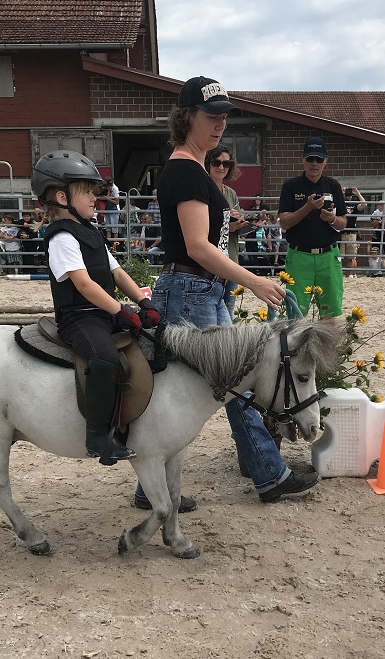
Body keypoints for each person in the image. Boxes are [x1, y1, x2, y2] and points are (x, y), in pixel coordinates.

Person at [143, 75, 317, 507]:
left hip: (200, 289)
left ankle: (153, 488)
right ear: (187, 117)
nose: (220, 124)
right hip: (191, 288)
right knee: (232, 383)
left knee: (216, 384)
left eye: (224, 117)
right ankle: (269, 475)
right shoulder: (186, 172)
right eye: (211, 116)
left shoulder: (193, 170)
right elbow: (198, 247)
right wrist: (253, 281)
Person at [31, 150, 162, 464]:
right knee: (105, 359)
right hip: (79, 318)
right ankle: (98, 437)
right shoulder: (61, 237)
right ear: (62, 197)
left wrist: (144, 302)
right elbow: (84, 284)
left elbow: (117, 273)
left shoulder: (91, 232)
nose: (95, 197)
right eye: (87, 192)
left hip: (103, 312)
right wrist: (120, 311)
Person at [278, 137, 346, 316]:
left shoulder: (333, 185)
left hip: (328, 256)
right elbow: (284, 222)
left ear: (326, 161)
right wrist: (307, 207)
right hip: (299, 256)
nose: (314, 163)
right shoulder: (291, 186)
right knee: (296, 314)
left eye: (319, 159)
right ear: (303, 160)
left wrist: (332, 219)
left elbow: (343, 223)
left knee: (331, 312)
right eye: (310, 159)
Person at [205, 145, 249, 316]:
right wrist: (225, 226)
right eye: (216, 162)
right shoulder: (203, 190)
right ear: (208, 164)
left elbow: (236, 220)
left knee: (228, 311)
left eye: (226, 163)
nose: (221, 167)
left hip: (231, 258)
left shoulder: (231, 193)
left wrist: (240, 222)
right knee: (210, 311)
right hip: (210, 261)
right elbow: (197, 226)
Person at [340, 186, 366, 277]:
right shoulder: (340, 203)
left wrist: (357, 193)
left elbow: (364, 204)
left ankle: (349, 275)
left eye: (350, 194)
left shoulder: (354, 205)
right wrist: (340, 193)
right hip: (340, 233)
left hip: (351, 234)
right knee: (339, 257)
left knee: (350, 257)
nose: (348, 196)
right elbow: (333, 204)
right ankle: (339, 275)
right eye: (346, 194)